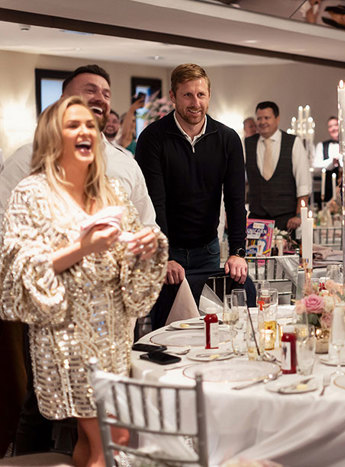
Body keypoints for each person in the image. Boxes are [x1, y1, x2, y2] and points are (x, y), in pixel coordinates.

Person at [0, 95, 167, 467]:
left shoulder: (113, 191)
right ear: (52, 136)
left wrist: (145, 248)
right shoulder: (32, 194)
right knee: (113, 438)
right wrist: (81, 247)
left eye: (89, 125)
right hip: (66, 338)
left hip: (113, 335)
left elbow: (131, 263)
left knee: (96, 443)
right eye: (73, 125)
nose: (85, 131)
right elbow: (17, 269)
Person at [135, 64, 252, 323]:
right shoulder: (152, 138)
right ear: (173, 96)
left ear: (209, 96)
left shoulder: (227, 138)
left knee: (213, 327)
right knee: (167, 329)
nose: (195, 102)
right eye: (187, 95)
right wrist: (162, 256)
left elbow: (235, 200)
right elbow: (154, 202)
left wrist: (238, 252)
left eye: (201, 95)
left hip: (208, 250)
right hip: (168, 253)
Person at [0, 64, 156, 227]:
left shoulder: (126, 164)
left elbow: (147, 225)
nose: (100, 98)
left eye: (106, 95)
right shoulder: (27, 158)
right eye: (90, 90)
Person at [245, 101, 311, 231]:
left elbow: (303, 182)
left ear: (277, 118)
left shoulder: (293, 143)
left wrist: (299, 215)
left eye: (267, 118)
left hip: (286, 220)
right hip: (256, 219)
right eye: (259, 118)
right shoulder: (246, 144)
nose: (262, 122)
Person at [312, 116, 340, 202]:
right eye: (330, 126)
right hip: (328, 187)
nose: (333, 128)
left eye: (335, 125)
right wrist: (331, 162)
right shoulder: (321, 145)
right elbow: (315, 166)